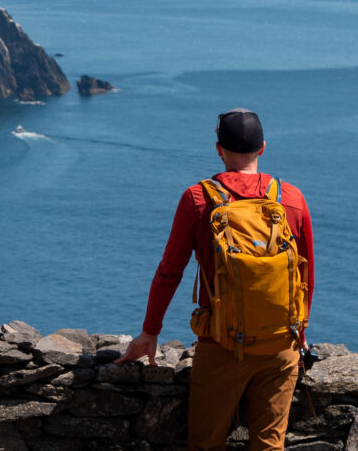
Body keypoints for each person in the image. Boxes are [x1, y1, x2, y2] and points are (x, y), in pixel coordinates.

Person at [118, 108, 314, 451]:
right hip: (281, 346)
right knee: (269, 446)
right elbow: (305, 273)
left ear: (218, 149)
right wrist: (301, 330)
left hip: (222, 346)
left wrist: (151, 332)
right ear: (263, 148)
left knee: (205, 444)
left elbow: (170, 272)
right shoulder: (291, 199)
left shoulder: (198, 199)